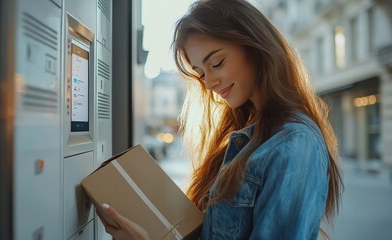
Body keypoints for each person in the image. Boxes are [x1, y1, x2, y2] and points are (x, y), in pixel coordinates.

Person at [97, 0, 343, 239]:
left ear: (254, 46)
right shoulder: (248, 136)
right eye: (201, 73)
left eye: (217, 62)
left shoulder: (294, 143)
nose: (209, 83)